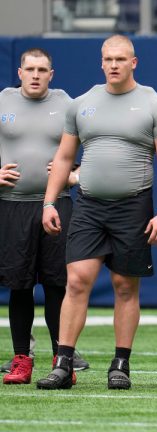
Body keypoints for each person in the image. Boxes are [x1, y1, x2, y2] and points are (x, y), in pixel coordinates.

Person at [36, 34, 157, 390]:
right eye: (108, 59)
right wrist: (49, 202)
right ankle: (64, 362)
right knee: (76, 280)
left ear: (134, 63)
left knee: (124, 286)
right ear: (101, 63)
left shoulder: (154, 105)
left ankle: (120, 364)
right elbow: (64, 158)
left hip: (133, 206)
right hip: (89, 206)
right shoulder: (82, 104)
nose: (114, 64)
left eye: (121, 59)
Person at [0, 48, 89, 384]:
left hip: (57, 204)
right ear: (19, 72)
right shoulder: (3, 102)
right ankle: (21, 359)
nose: (35, 75)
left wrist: (76, 172)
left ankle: (60, 358)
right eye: (30, 69)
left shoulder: (68, 104)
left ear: (52, 74)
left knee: (56, 284)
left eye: (42, 70)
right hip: (12, 206)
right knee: (19, 287)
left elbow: (100, 146)